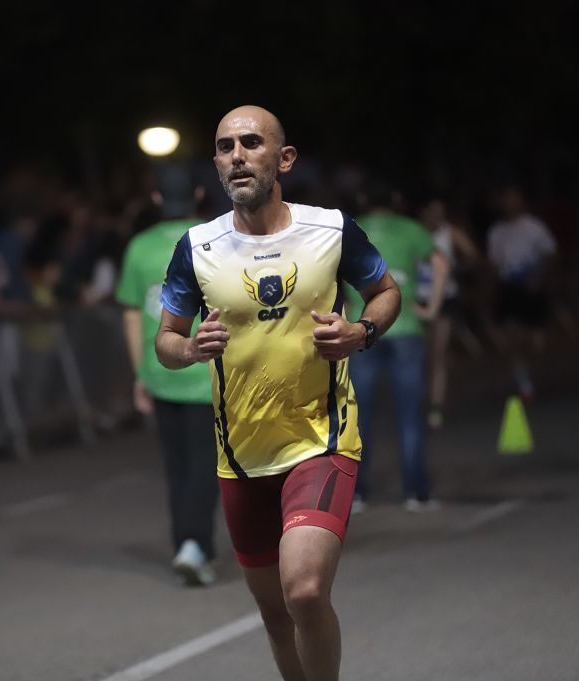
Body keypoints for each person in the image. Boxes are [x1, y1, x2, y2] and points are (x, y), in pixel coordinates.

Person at [156, 105, 400, 681]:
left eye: (250, 142)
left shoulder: (332, 230)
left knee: (306, 591)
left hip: (322, 439)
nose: (236, 154)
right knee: (274, 614)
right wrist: (191, 348)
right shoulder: (196, 246)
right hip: (240, 456)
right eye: (223, 147)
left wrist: (361, 331)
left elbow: (386, 292)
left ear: (283, 158)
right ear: (216, 164)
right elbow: (165, 339)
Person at [116, 177, 220, 586]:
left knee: (176, 467)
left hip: (160, 368)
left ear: (156, 197)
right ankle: (195, 544)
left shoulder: (139, 246)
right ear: (198, 194)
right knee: (204, 465)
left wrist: (140, 371)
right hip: (205, 368)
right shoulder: (214, 240)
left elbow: (129, 313)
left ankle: (185, 544)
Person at [345, 180, 450, 514]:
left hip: (363, 330)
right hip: (405, 327)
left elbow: (333, 275)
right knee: (409, 415)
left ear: (363, 198)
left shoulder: (350, 229)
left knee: (357, 417)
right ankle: (415, 493)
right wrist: (431, 308)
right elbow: (441, 264)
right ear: (395, 199)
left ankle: (357, 494)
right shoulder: (411, 229)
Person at [416, 197, 482, 429]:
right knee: (422, 356)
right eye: (433, 213)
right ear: (423, 212)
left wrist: (456, 269)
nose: (437, 218)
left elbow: (473, 256)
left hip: (445, 299)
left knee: (439, 354)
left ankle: (435, 407)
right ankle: (421, 401)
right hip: (417, 300)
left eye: (441, 213)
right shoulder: (414, 233)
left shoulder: (450, 233)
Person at [487, 187, 557, 399]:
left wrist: (539, 277)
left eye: (514, 200)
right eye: (506, 200)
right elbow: (494, 262)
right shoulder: (497, 231)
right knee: (512, 338)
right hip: (510, 287)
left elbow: (550, 254)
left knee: (536, 341)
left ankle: (535, 374)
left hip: (532, 286)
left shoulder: (534, 227)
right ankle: (524, 384)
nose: (510, 205)